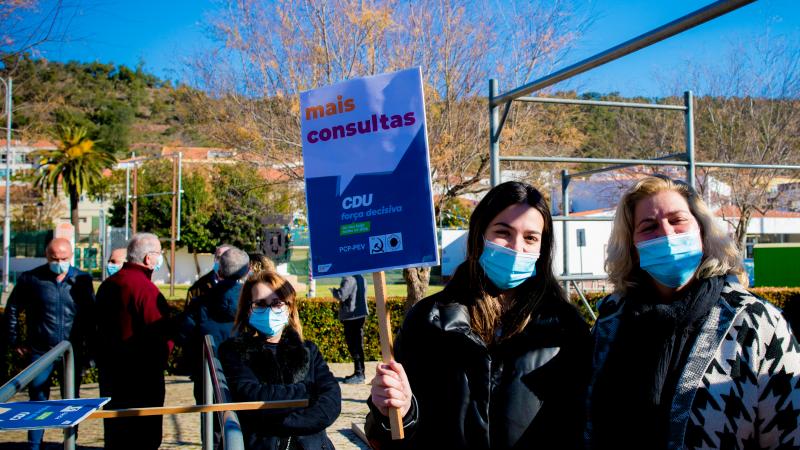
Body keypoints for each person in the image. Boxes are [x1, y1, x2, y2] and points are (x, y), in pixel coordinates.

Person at [365, 181, 592, 449]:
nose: (516, 247)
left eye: (530, 237)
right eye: (503, 232)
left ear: (543, 248)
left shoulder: (566, 328)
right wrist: (396, 412)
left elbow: (582, 425)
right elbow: (390, 439)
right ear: (478, 235)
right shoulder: (427, 320)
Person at [587, 175, 800, 449]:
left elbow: (790, 430)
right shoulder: (610, 323)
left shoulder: (756, 322)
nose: (666, 233)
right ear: (633, 247)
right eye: (649, 226)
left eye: (677, 221)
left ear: (702, 231)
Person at [218, 270, 341, 450]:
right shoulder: (234, 351)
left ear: (289, 307)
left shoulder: (308, 350)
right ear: (247, 309)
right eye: (260, 304)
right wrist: (307, 392)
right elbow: (251, 395)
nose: (269, 310)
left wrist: (282, 419)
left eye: (276, 303)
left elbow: (331, 401)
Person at [3, 237, 95, 450]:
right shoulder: (32, 279)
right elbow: (13, 309)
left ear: (71, 256)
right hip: (41, 350)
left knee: (71, 401)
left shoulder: (82, 280)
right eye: (55, 258)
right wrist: (14, 340)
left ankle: (70, 442)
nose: (59, 262)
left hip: (71, 352)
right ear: (47, 257)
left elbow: (90, 316)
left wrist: (90, 349)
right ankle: (35, 444)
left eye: (64, 258)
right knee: (38, 399)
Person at [96, 232, 173, 450]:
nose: (159, 259)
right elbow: (161, 335)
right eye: (158, 254)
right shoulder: (146, 290)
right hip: (142, 378)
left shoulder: (108, 284)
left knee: (115, 434)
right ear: (149, 258)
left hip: (111, 373)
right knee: (143, 436)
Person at [331, 274, 369, 384]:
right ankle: (359, 372)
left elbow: (341, 296)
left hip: (351, 317)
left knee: (353, 345)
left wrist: (334, 291)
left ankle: (359, 374)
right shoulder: (362, 277)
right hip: (360, 315)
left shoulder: (348, 278)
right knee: (358, 345)